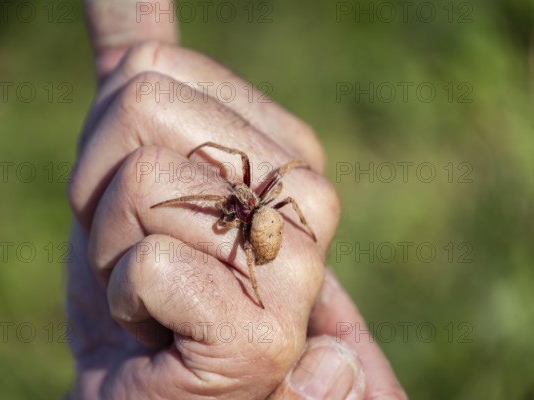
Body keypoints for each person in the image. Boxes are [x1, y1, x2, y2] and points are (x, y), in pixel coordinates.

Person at [66, 1, 408, 398]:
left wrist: (215, 153)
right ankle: (256, 286)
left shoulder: (244, 211)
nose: (237, 191)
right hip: (264, 223)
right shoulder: (250, 200)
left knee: (223, 206)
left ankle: (255, 290)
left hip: (262, 228)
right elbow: (276, 192)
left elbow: (264, 199)